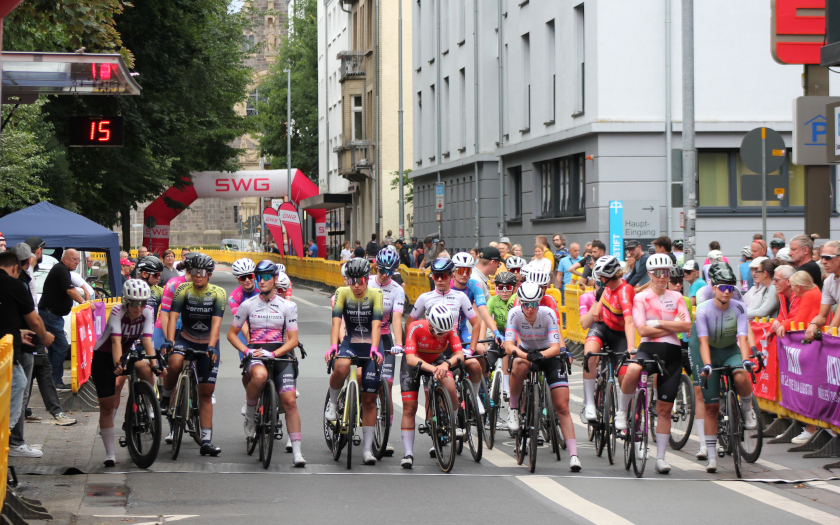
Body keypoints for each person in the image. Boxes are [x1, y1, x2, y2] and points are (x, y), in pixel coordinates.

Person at [227, 260, 305, 467]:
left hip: (279, 353)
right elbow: (232, 334)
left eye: (266, 277)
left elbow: (293, 340)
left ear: (275, 279)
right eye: (258, 277)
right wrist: (247, 350)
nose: (261, 281)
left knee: (289, 400)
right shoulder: (247, 305)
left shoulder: (288, 306)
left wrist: (276, 353)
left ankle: (297, 451)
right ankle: (251, 416)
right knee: (259, 377)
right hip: (256, 352)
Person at [620, 254, 692, 474]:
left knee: (665, 409)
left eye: (666, 273)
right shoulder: (641, 298)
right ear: (650, 274)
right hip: (648, 350)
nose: (662, 277)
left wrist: (659, 322)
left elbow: (687, 325)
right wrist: (673, 325)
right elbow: (642, 330)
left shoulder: (677, 296)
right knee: (632, 369)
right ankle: (622, 412)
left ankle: (660, 458)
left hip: (672, 355)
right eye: (658, 273)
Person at [505, 282, 580, 472]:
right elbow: (509, 346)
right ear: (520, 303)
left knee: (562, 406)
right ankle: (513, 409)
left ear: (539, 303)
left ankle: (573, 455)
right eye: (526, 304)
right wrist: (526, 356)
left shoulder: (548, 314)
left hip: (549, 355)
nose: (530, 309)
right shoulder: (514, 314)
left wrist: (542, 355)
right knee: (517, 364)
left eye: (534, 304)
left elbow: (556, 346)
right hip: (527, 353)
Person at [692, 266, 758, 473]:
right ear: (713, 287)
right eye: (722, 287)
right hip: (707, 350)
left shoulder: (739, 307)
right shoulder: (703, 309)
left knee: (740, 373)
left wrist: (746, 359)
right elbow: (703, 342)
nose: (727, 291)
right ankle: (711, 456)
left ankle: (746, 407)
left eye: (730, 287)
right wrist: (708, 365)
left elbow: (743, 337)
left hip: (730, 350)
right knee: (711, 407)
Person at [162, 253, 226, 456]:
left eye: (203, 272)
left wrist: (212, 346)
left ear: (209, 274)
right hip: (186, 338)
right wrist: (170, 341)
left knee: (206, 392)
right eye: (195, 271)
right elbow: (172, 318)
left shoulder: (218, 293)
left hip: (208, 342)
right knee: (175, 361)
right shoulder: (183, 289)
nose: (198, 275)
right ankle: (166, 395)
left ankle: (206, 441)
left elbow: (216, 324)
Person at [91, 279, 160, 467]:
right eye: (135, 303)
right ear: (126, 301)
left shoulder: (148, 312)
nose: (139, 307)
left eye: (143, 302)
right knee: (107, 404)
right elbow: (115, 342)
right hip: (105, 356)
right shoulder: (117, 312)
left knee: (145, 367)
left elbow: (147, 341)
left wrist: (155, 364)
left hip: (126, 351)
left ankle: (148, 402)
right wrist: (117, 364)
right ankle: (110, 453)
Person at [324, 258, 384, 465]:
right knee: (340, 366)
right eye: (352, 281)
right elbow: (336, 322)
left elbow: (376, 325)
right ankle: (332, 404)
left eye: (360, 280)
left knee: (369, 399)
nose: (356, 285)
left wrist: (375, 348)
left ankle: (367, 450)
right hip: (350, 341)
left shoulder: (376, 294)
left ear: (368, 279)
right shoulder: (342, 292)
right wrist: (333, 345)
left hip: (371, 344)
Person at [1, 251, 56, 458]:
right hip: (7, 354)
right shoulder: (14, 284)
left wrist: (17, 333)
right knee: (18, 384)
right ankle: (8, 436)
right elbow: (34, 320)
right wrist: (44, 336)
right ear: (16, 268)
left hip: (10, 344)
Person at [398, 304, 463, 469]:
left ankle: (452, 424)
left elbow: (459, 354)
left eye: (445, 333)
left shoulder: (449, 329)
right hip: (415, 364)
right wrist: (434, 369)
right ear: (430, 324)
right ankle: (408, 454)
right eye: (438, 332)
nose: (442, 335)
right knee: (410, 407)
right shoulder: (415, 327)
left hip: (437, 361)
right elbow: (411, 359)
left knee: (450, 385)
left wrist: (446, 365)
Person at [581, 256, 637, 423]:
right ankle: (589, 404)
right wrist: (597, 307)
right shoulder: (606, 288)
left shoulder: (625, 290)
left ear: (603, 277)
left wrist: (631, 348)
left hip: (619, 334)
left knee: (624, 376)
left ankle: (624, 413)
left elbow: (629, 321)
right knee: (589, 354)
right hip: (603, 328)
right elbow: (595, 313)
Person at [450, 252, 503, 413]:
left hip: (461, 331)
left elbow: (484, 311)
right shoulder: (446, 284)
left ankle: (476, 393)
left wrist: (495, 332)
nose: (464, 274)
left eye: (468, 270)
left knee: (481, 352)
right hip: (444, 334)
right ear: (453, 272)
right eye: (460, 271)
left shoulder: (474, 285)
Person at [368, 249, 406, 457]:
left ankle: (384, 436)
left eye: (390, 272)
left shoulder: (397, 290)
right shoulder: (366, 282)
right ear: (376, 266)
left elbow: (397, 319)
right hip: (364, 335)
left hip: (383, 336)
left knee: (387, 385)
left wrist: (399, 343)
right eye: (382, 270)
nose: (384, 275)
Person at [39, 249, 86, 389]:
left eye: (78, 260)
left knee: (55, 348)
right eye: (74, 259)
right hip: (50, 315)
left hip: (53, 315)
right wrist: (84, 303)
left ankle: (51, 380)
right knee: (61, 347)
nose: (77, 262)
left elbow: (74, 288)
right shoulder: (60, 269)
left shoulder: (63, 271)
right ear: (65, 259)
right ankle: (55, 380)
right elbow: (70, 290)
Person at [804, 240, 840, 343]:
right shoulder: (829, 281)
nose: (823, 261)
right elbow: (822, 316)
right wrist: (813, 324)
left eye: (828, 257)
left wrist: (831, 330)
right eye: (822, 257)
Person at [229, 258, 259, 354]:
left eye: (250, 276)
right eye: (243, 278)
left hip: (265, 327)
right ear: (238, 279)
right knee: (247, 361)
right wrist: (249, 340)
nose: (247, 280)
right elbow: (240, 322)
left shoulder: (262, 288)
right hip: (245, 329)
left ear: (254, 275)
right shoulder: (233, 297)